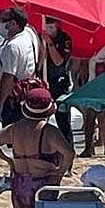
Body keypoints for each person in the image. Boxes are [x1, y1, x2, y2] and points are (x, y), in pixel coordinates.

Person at [0, 7, 38, 127]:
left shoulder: (12, 47)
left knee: (14, 139)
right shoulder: (30, 33)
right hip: (27, 93)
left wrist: (0, 104)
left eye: (2, 22)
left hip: (13, 99)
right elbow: (42, 49)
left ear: (13, 23)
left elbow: (8, 77)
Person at [39, 16, 73, 144]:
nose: (49, 26)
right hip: (43, 81)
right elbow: (38, 62)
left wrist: (50, 44)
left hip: (59, 82)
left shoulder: (64, 39)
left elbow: (59, 62)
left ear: (58, 23)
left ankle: (68, 146)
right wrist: (42, 47)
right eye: (46, 23)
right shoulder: (39, 37)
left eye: (51, 24)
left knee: (62, 119)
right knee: (40, 119)